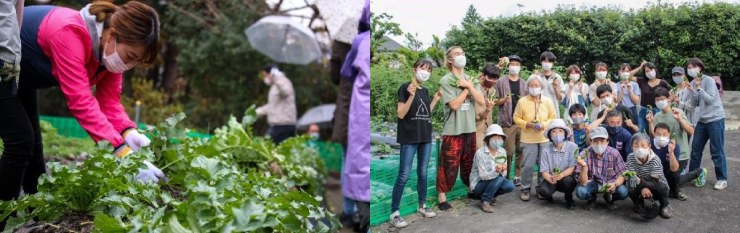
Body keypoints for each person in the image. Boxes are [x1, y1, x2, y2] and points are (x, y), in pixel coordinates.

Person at [1, 0, 161, 216]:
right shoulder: (69, 32)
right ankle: (3, 215)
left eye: (136, 61)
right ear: (112, 35)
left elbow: (109, 103)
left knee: (35, 146)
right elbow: (80, 101)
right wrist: (122, 152)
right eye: (131, 56)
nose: (129, 65)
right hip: (3, 64)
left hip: (22, 77)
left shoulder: (110, 54)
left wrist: (128, 131)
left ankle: (36, 213)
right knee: (21, 142)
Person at [389, 59, 441, 228]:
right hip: (409, 137)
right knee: (404, 174)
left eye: (429, 69)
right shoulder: (405, 87)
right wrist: (411, 95)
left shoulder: (424, 90)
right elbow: (401, 113)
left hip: (425, 136)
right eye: (422, 68)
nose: (425, 72)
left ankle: (422, 205)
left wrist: (434, 100)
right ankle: (395, 213)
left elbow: (425, 114)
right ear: (414, 69)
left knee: (423, 172)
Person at [437, 46, 485, 210]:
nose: (461, 56)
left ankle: (469, 188)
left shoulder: (471, 79)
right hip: (453, 130)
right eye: (457, 54)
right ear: (450, 60)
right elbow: (455, 105)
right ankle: (442, 197)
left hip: (469, 128)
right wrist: (466, 88)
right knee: (448, 164)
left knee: (469, 162)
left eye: (463, 53)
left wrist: (470, 86)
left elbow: (482, 101)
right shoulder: (446, 80)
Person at [341, 0, 370, 231]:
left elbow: (344, 73)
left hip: (359, 118)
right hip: (359, 118)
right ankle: (352, 214)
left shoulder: (359, 41)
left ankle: (350, 213)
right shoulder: (362, 41)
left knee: (354, 161)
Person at [686, 57, 728, 190]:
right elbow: (693, 105)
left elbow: (710, 100)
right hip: (702, 120)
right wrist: (692, 91)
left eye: (693, 66)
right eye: (689, 68)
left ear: (700, 68)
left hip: (715, 119)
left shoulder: (708, 80)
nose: (691, 69)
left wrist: (698, 88)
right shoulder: (692, 83)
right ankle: (693, 175)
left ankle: (722, 178)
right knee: (696, 149)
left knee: (716, 150)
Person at [329, 38, 358, 229]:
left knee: (347, 162)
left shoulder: (342, 42)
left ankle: (350, 211)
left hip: (349, 110)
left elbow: (334, 77)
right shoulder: (364, 39)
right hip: (361, 110)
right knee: (358, 162)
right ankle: (358, 212)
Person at [513, 76, 557, 201]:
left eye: (537, 85)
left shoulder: (548, 101)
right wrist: (528, 124)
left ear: (541, 87)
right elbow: (516, 118)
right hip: (528, 139)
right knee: (528, 165)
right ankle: (525, 188)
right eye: (531, 85)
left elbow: (553, 117)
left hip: (544, 138)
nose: (534, 88)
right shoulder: (522, 101)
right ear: (527, 87)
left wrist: (543, 124)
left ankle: (541, 188)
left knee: (544, 165)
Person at [575, 127, 629, 210]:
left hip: (610, 182)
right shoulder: (584, 154)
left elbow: (622, 174)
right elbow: (583, 183)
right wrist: (583, 167)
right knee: (581, 191)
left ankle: (609, 198)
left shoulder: (614, 153)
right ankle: (591, 199)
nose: (599, 144)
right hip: (593, 183)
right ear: (591, 142)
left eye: (602, 141)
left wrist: (615, 184)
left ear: (607, 142)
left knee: (623, 192)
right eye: (595, 141)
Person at [493, 55, 526, 186]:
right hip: (507, 122)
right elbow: (494, 101)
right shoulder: (500, 82)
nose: (514, 66)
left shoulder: (524, 83)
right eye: (512, 64)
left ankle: (518, 175)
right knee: (508, 151)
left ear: (520, 67)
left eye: (517, 64)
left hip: (522, 122)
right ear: (508, 66)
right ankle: (505, 175)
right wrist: (503, 100)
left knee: (521, 150)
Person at [651, 123, 705, 201]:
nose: (661, 137)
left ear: (669, 135)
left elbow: (674, 168)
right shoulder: (651, 144)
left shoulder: (674, 146)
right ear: (654, 133)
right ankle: (696, 173)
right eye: (658, 134)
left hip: (669, 173)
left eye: (664, 134)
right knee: (677, 181)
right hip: (655, 174)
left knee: (675, 176)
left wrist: (671, 152)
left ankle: (699, 172)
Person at [625, 133, 674, 219]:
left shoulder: (655, 160)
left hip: (655, 186)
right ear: (631, 147)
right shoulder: (630, 158)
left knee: (663, 187)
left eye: (643, 145)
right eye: (636, 146)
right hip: (640, 184)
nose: (640, 149)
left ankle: (665, 205)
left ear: (649, 146)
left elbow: (655, 181)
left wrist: (643, 185)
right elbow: (632, 176)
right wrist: (642, 188)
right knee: (630, 184)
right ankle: (639, 203)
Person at [647, 87, 695, 173]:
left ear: (668, 99)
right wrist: (650, 123)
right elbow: (653, 136)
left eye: (662, 99)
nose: (660, 102)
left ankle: (698, 172)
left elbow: (691, 131)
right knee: (663, 180)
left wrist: (680, 119)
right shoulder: (657, 116)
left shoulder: (677, 112)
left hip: (681, 155)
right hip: (665, 155)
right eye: (658, 100)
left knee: (674, 180)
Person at [470, 124, 515, 213]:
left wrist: (503, 170)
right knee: (498, 178)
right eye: (494, 138)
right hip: (478, 185)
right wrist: (496, 171)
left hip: (493, 181)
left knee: (509, 186)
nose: (497, 141)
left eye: (499, 138)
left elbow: (504, 173)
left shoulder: (502, 151)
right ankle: (485, 201)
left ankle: (490, 196)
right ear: (488, 139)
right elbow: (483, 176)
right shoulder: (480, 153)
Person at [538, 119, 578, 209]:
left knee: (568, 181)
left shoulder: (572, 147)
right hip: (553, 177)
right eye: (554, 132)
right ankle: (549, 195)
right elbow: (544, 171)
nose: (557, 134)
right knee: (543, 191)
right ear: (550, 135)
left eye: (560, 131)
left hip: (566, 177)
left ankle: (568, 198)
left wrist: (562, 175)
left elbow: (572, 167)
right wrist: (550, 178)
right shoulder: (546, 150)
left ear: (565, 134)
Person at [256, 64, 297, 145]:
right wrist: (255, 113)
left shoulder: (283, 81)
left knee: (266, 147)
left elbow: (286, 92)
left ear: (271, 73)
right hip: (278, 125)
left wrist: (277, 77)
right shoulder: (275, 86)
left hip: (284, 125)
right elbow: (272, 106)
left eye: (265, 75)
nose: (265, 78)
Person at [631, 61, 670, 133]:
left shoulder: (663, 82)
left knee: (657, 131)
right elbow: (629, 76)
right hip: (644, 110)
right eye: (647, 71)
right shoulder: (642, 81)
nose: (650, 72)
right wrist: (640, 67)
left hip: (657, 110)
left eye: (651, 70)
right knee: (642, 132)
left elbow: (671, 93)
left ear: (655, 69)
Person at [528, 51, 564, 119]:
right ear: (541, 62)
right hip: (538, 111)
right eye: (545, 61)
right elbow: (529, 94)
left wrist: (556, 89)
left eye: (549, 62)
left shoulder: (557, 77)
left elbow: (561, 98)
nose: (547, 64)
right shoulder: (536, 77)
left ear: (553, 63)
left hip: (553, 111)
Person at [475, 63, 499, 149]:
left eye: (495, 79)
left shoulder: (492, 90)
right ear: (483, 76)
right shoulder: (475, 90)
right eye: (490, 78)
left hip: (489, 128)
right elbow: (479, 117)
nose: (492, 81)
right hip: (477, 130)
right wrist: (488, 109)